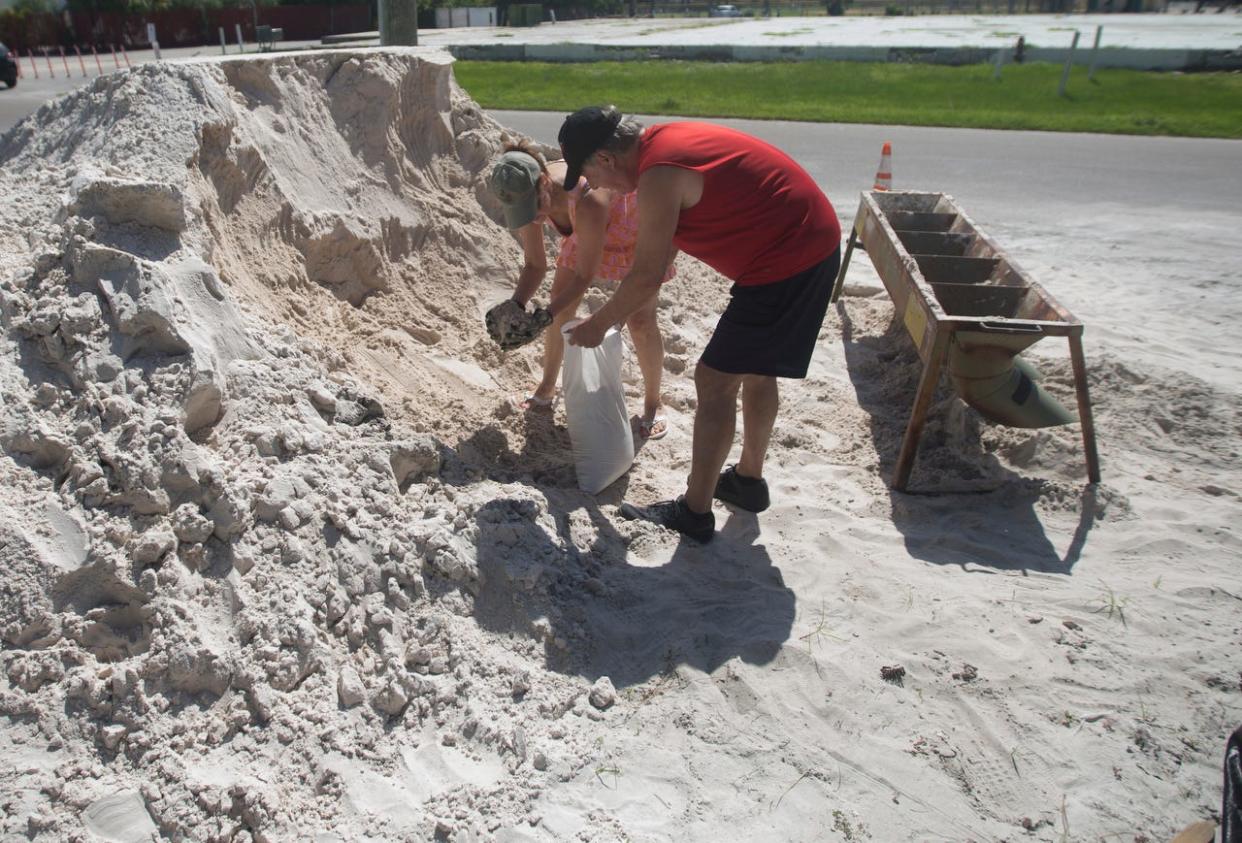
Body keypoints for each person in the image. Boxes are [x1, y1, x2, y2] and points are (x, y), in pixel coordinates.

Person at [561, 107, 842, 543]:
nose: (595, 186)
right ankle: (747, 481)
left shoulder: (659, 172)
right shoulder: (663, 144)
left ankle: (694, 512)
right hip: (809, 242)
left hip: (787, 259)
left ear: (606, 158)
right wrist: (628, 303)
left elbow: (648, 272)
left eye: (590, 175)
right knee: (758, 367)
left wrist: (600, 323)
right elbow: (664, 246)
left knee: (714, 380)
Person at [487, 138, 675, 440]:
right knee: (558, 301)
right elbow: (535, 265)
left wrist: (543, 317)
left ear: (545, 183)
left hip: (632, 229)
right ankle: (547, 388)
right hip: (585, 232)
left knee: (641, 320)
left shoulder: (588, 197)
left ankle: (654, 403)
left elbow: (585, 276)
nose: (534, 217)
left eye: (535, 207)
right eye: (523, 213)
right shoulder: (528, 197)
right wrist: (516, 304)